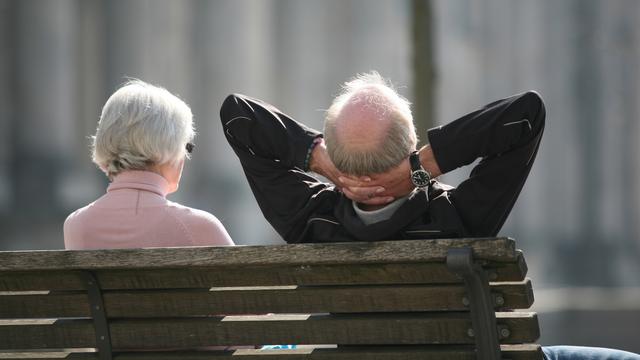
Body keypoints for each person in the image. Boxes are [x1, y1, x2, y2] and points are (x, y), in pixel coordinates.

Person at [220, 72, 640, 359]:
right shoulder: (456, 217)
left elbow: (238, 116)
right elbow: (526, 115)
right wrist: (421, 171)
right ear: (412, 143)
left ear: (334, 152)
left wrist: (321, 161)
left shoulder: (308, 219)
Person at [64, 80, 234, 250]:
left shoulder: (76, 224)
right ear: (170, 145)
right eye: (186, 146)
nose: (185, 156)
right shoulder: (199, 226)